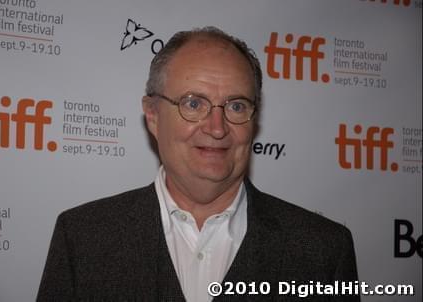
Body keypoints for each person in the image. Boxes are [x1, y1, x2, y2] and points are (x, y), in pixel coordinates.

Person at [37, 27, 360, 301]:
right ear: (153, 115)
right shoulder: (83, 238)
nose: (217, 128)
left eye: (235, 106)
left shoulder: (323, 251)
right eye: (193, 103)